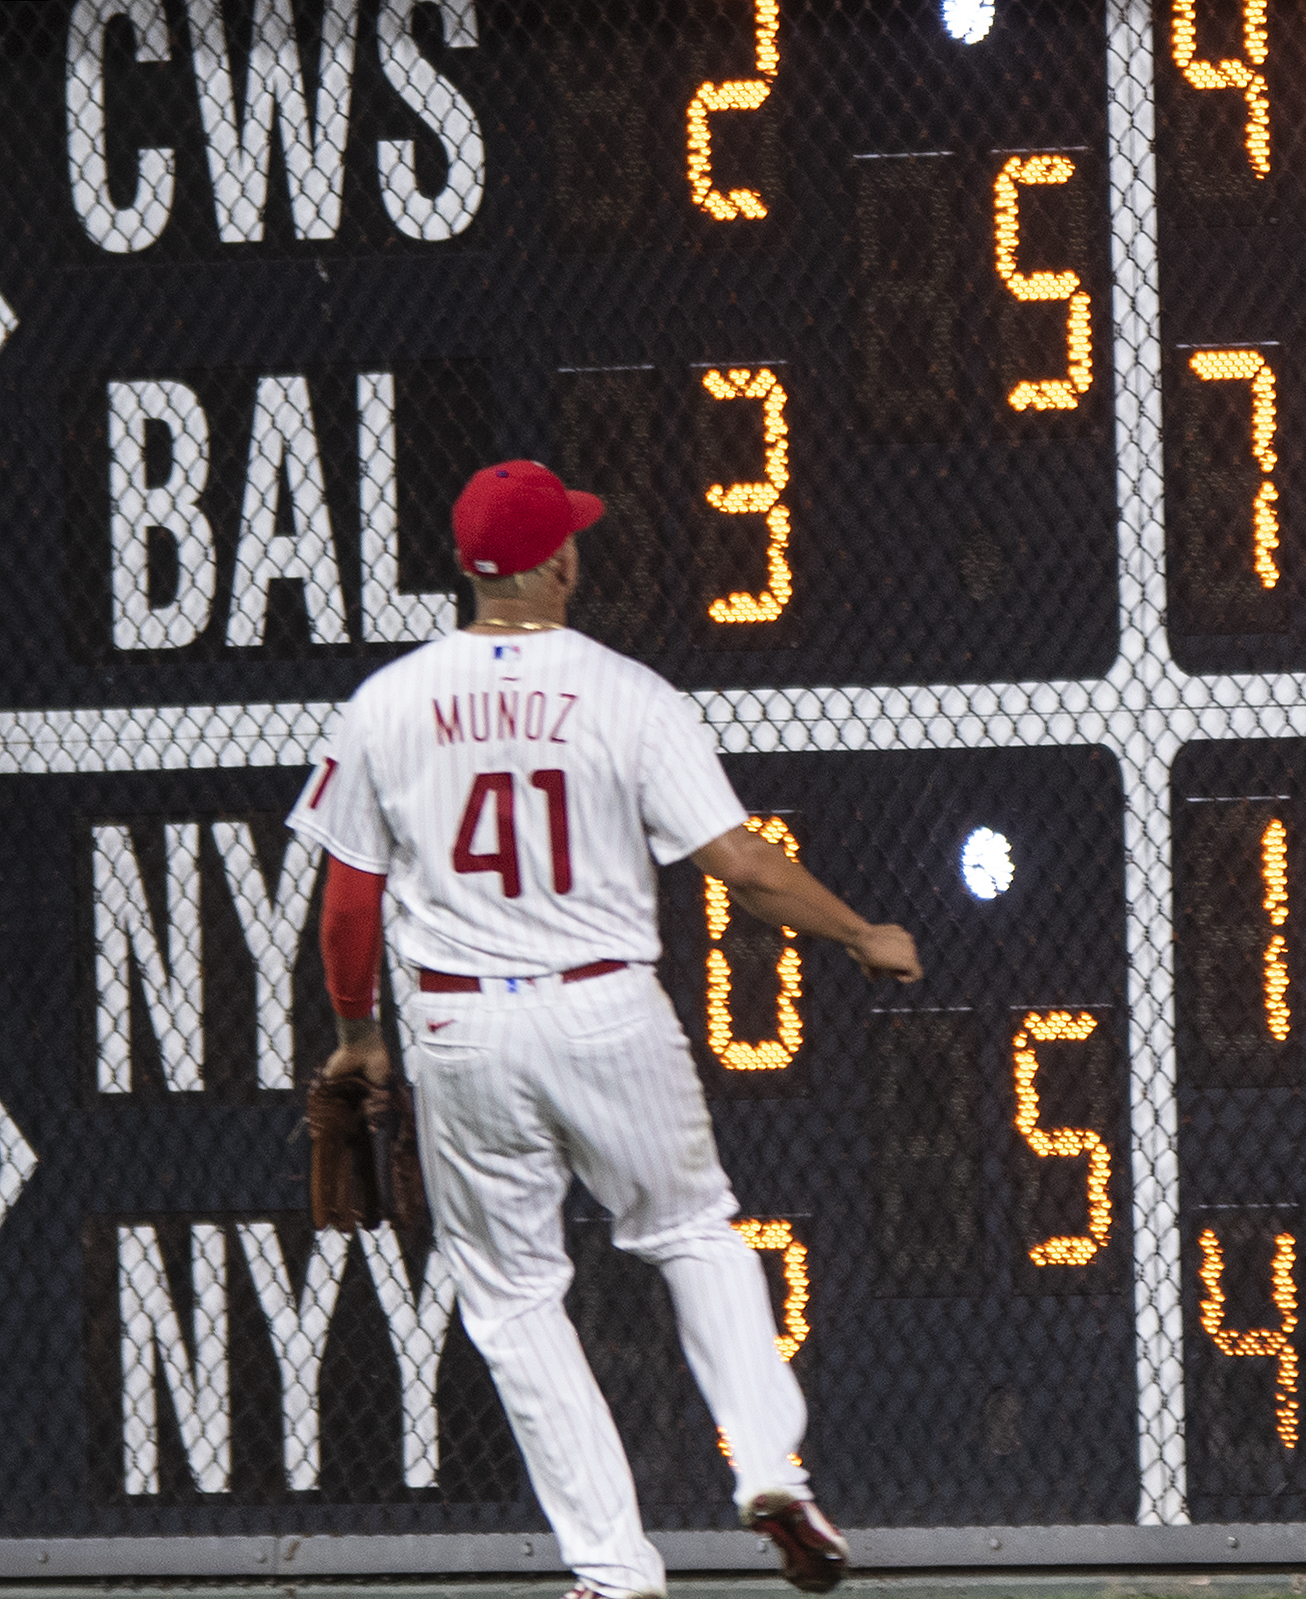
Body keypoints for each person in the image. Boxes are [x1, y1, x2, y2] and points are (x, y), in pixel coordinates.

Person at [288, 461, 921, 1597]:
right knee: (692, 1234)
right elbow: (739, 866)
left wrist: (357, 1036)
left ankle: (613, 1571)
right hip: (607, 1006)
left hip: (462, 1026)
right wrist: (858, 931)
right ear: (560, 562)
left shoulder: (387, 700)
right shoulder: (628, 692)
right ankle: (773, 1469)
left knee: (515, 1299)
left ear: (469, 570)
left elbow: (348, 898)